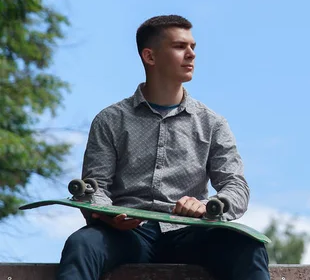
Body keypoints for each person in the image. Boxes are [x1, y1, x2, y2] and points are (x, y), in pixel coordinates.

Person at [56, 14, 270, 280]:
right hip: (127, 234)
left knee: (247, 247)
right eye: (180, 47)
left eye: (193, 47)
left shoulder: (212, 124)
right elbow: (95, 186)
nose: (191, 54)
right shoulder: (110, 120)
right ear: (150, 56)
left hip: (192, 232)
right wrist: (108, 215)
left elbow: (236, 185)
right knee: (82, 244)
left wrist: (209, 206)